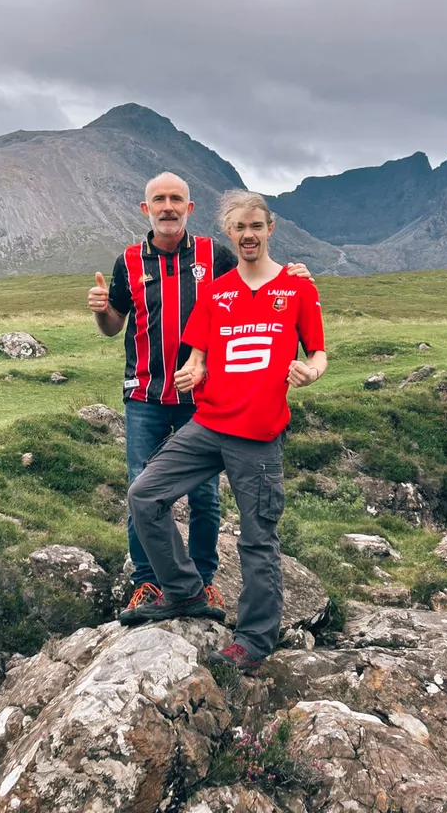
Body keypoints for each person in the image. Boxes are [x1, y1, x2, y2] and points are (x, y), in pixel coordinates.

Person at [87, 173, 314, 625]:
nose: (167, 207)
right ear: (145, 209)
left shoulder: (217, 254)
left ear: (189, 209)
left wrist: (293, 277)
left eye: (176, 200)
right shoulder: (128, 262)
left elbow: (255, 286)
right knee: (143, 488)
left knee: (205, 496)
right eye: (159, 200)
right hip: (146, 392)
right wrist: (102, 312)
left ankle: (203, 579)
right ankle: (150, 583)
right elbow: (114, 326)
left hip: (206, 397)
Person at [125, 189, 327, 674]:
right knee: (145, 495)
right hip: (208, 425)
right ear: (229, 234)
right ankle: (186, 592)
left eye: (256, 226)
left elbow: (318, 353)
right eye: (239, 228)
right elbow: (197, 356)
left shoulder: (298, 289)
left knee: (258, 540)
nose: (248, 235)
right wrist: (193, 372)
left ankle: (255, 641)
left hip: (258, 436)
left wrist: (310, 371)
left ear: (269, 228)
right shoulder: (217, 292)